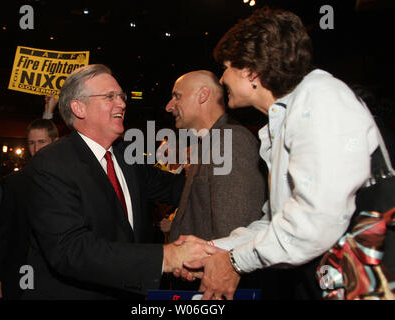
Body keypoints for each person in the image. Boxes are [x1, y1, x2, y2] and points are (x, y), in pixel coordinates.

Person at [176, 7, 386, 300]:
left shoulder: (320, 99)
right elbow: (276, 222)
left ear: (251, 70)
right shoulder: (284, 117)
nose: (221, 79)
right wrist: (214, 250)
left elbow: (314, 223)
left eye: (226, 67)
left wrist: (234, 262)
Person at [22, 64, 218, 299]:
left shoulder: (127, 155)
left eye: (121, 96)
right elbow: (70, 250)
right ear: (79, 107)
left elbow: (180, 190)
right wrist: (166, 257)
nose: (123, 103)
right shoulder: (51, 164)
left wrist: (214, 140)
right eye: (110, 96)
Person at [165, 70, 265, 243]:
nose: (169, 106)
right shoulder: (210, 142)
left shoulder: (231, 141)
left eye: (177, 96)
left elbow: (233, 233)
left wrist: (215, 266)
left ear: (203, 95)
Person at [0, 119, 59, 300]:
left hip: (60, 272)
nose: (36, 148)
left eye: (42, 142)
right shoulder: (15, 182)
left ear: (55, 142)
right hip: (22, 269)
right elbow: (2, 231)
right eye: (31, 143)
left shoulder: (70, 179)